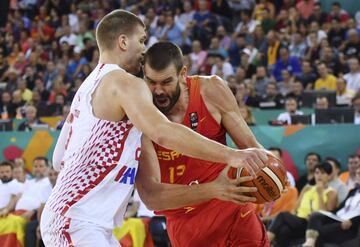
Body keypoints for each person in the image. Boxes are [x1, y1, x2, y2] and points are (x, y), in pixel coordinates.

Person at [41, 10, 269, 247]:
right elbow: (161, 131)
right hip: (76, 221)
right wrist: (233, 155)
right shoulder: (125, 83)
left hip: (84, 221)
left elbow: (59, 160)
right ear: (123, 41)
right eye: (141, 40)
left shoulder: (87, 87)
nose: (143, 50)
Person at [141, 41, 270, 247]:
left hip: (234, 211)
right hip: (187, 224)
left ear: (183, 73)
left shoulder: (211, 89)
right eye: (151, 82)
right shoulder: (140, 115)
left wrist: (273, 171)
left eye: (166, 82)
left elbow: (249, 145)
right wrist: (214, 189)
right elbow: (151, 198)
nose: (158, 91)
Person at [267, 162, 338, 247]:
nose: (319, 176)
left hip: (312, 224)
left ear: (329, 176)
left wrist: (320, 194)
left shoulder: (331, 192)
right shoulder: (307, 188)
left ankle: (265, 242)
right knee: (284, 230)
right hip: (298, 221)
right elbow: (295, 208)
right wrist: (290, 219)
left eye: (323, 173)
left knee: (282, 215)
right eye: (317, 172)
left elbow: (326, 214)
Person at [302, 166, 360, 247]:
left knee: (320, 231)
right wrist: (326, 214)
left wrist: (352, 221)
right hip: (338, 217)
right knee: (316, 215)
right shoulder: (353, 191)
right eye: (358, 173)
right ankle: (309, 243)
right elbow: (340, 208)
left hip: (349, 223)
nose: (359, 176)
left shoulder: (332, 191)